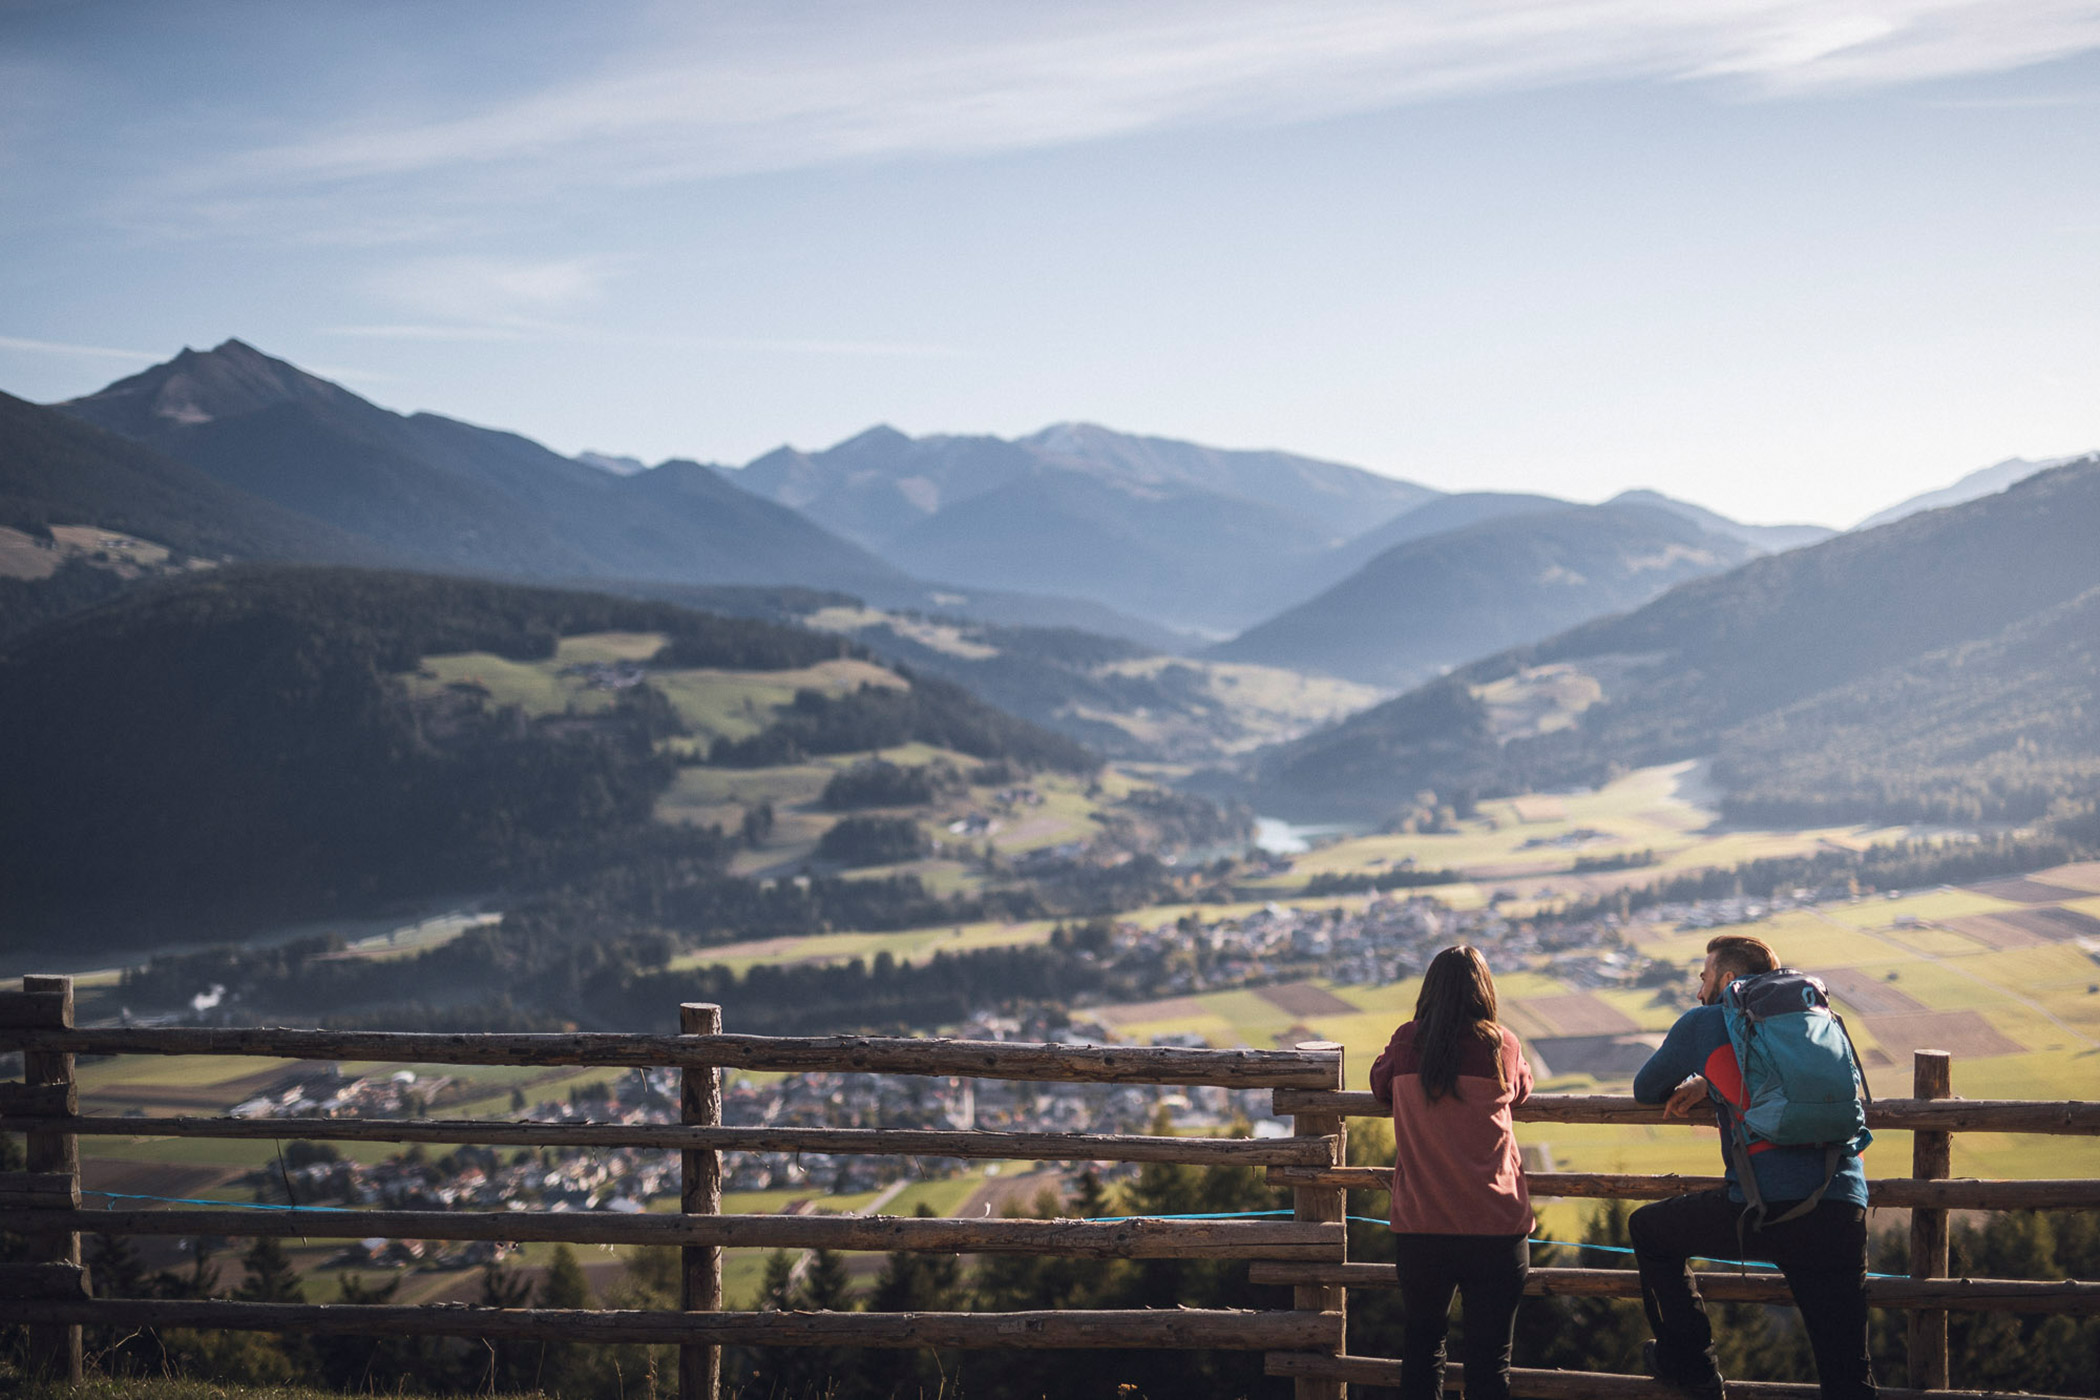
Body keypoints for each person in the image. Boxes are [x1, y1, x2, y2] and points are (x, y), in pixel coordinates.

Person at [1630, 934, 1877, 1400]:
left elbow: (1647, 1087)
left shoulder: (1705, 1021)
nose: (1699, 990)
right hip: (1843, 1202)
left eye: (1704, 978)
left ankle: (1693, 1366)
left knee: (1649, 1230)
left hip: (1765, 1208)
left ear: (1727, 979)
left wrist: (1703, 1073)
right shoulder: (1812, 1020)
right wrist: (1712, 1082)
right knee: (1848, 1374)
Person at [1369, 945, 1535, 1400]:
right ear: (1484, 993)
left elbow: (1378, 1083)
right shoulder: (1500, 1044)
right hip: (1497, 1226)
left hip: (1423, 1228)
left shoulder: (1406, 1042)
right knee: (1490, 1364)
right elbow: (1521, 1088)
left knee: (1423, 1350)